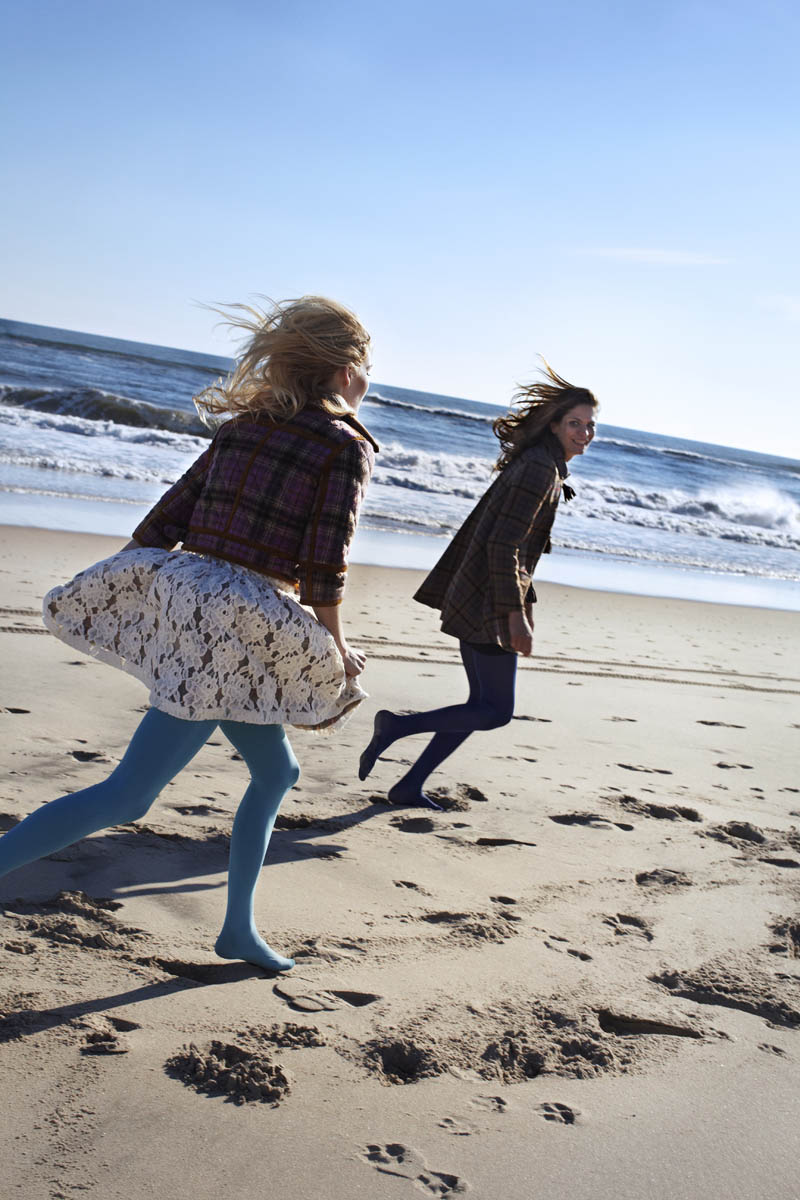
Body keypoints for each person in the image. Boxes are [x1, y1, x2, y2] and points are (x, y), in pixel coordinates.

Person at [0, 295, 378, 972]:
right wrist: (338, 646)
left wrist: (137, 581)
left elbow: (163, 520)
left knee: (277, 769)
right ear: (345, 368)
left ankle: (238, 930)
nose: (368, 378)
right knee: (129, 795)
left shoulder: (246, 426)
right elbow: (325, 563)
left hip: (194, 593)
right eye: (367, 364)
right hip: (242, 616)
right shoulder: (344, 446)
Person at [359, 362, 597, 808]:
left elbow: (515, 548)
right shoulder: (540, 471)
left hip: (487, 592)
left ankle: (409, 786)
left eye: (589, 425)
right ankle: (395, 727)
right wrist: (514, 615)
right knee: (494, 712)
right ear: (553, 424)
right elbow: (504, 545)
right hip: (487, 600)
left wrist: (524, 605)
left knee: (479, 705)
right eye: (574, 423)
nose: (584, 433)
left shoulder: (542, 465)